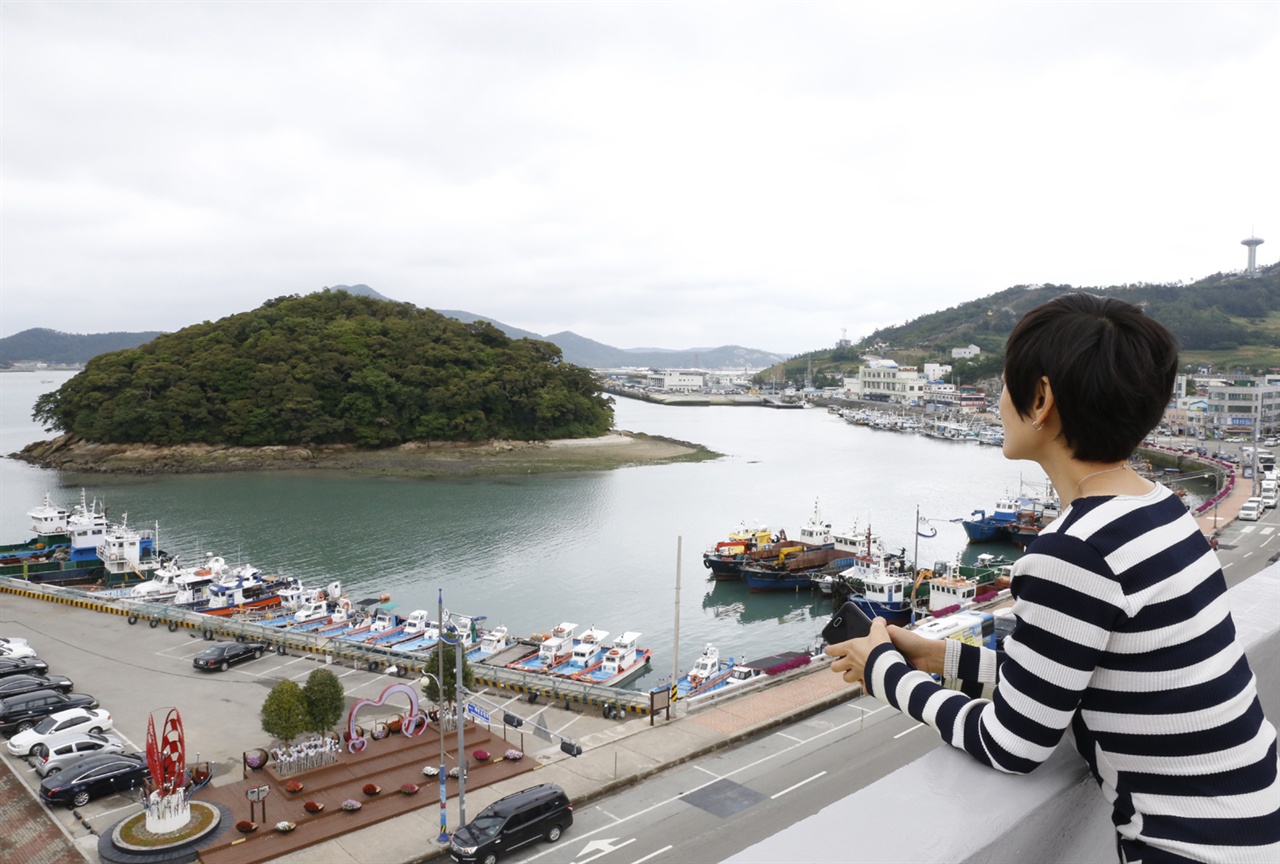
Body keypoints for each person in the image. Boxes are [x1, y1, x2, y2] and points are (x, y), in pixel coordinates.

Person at [826, 293, 1279, 863]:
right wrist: (943, 659)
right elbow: (1086, 671)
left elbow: (1012, 742)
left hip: (1185, 848)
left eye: (1004, 384)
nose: (997, 401)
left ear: (1040, 399)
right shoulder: (1162, 510)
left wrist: (884, 671)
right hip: (1254, 823)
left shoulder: (1073, 551)